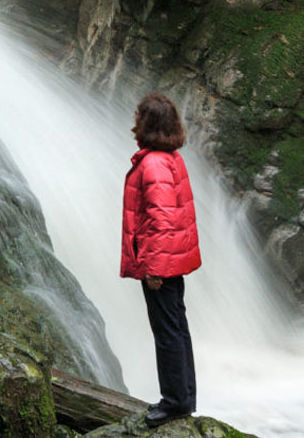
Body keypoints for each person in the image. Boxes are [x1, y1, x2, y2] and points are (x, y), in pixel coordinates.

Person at [121, 92, 202, 428]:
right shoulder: (169, 158)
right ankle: (183, 396)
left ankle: (174, 403)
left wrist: (152, 268)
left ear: (148, 124)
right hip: (172, 259)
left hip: (161, 262)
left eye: (139, 117)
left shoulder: (153, 163)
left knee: (167, 332)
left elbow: (161, 220)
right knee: (177, 329)